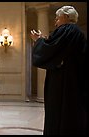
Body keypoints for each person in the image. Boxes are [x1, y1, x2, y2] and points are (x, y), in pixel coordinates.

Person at [30, 6, 88, 135]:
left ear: (66, 17)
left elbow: (51, 49)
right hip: (75, 79)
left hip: (62, 80)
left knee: (58, 110)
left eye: (57, 18)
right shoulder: (77, 32)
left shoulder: (67, 29)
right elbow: (58, 49)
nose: (55, 21)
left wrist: (38, 41)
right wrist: (44, 40)